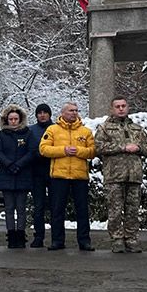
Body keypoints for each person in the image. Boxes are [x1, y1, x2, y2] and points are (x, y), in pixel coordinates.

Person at [95, 97, 147, 253]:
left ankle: (131, 238)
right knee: (115, 210)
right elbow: (99, 147)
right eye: (117, 106)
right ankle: (116, 239)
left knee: (133, 210)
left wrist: (139, 147)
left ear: (128, 107)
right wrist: (123, 147)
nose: (121, 109)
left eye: (123, 106)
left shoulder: (136, 128)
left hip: (134, 175)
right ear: (112, 109)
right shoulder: (104, 128)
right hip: (114, 175)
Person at [38, 101, 96, 251]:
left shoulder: (85, 131)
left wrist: (78, 151)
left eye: (76, 110)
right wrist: (63, 150)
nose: (74, 113)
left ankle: (84, 241)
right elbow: (44, 149)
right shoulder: (52, 130)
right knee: (57, 210)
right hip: (59, 176)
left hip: (79, 177)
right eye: (71, 110)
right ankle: (57, 241)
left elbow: (92, 151)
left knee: (82, 210)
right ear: (62, 113)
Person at [0, 105, 35, 249]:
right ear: (6, 119)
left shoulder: (27, 133)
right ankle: (11, 235)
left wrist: (19, 164)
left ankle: (21, 235)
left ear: (20, 119)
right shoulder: (2, 134)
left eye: (16, 119)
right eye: (10, 119)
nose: (13, 121)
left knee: (21, 207)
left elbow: (32, 151)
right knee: (9, 207)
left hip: (23, 174)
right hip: (7, 174)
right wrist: (9, 164)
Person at [28, 103, 54, 248]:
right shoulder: (31, 130)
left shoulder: (56, 129)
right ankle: (38, 236)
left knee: (55, 206)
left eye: (45, 112)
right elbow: (30, 149)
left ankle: (56, 236)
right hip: (36, 173)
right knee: (38, 207)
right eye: (40, 113)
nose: (42, 115)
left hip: (53, 172)